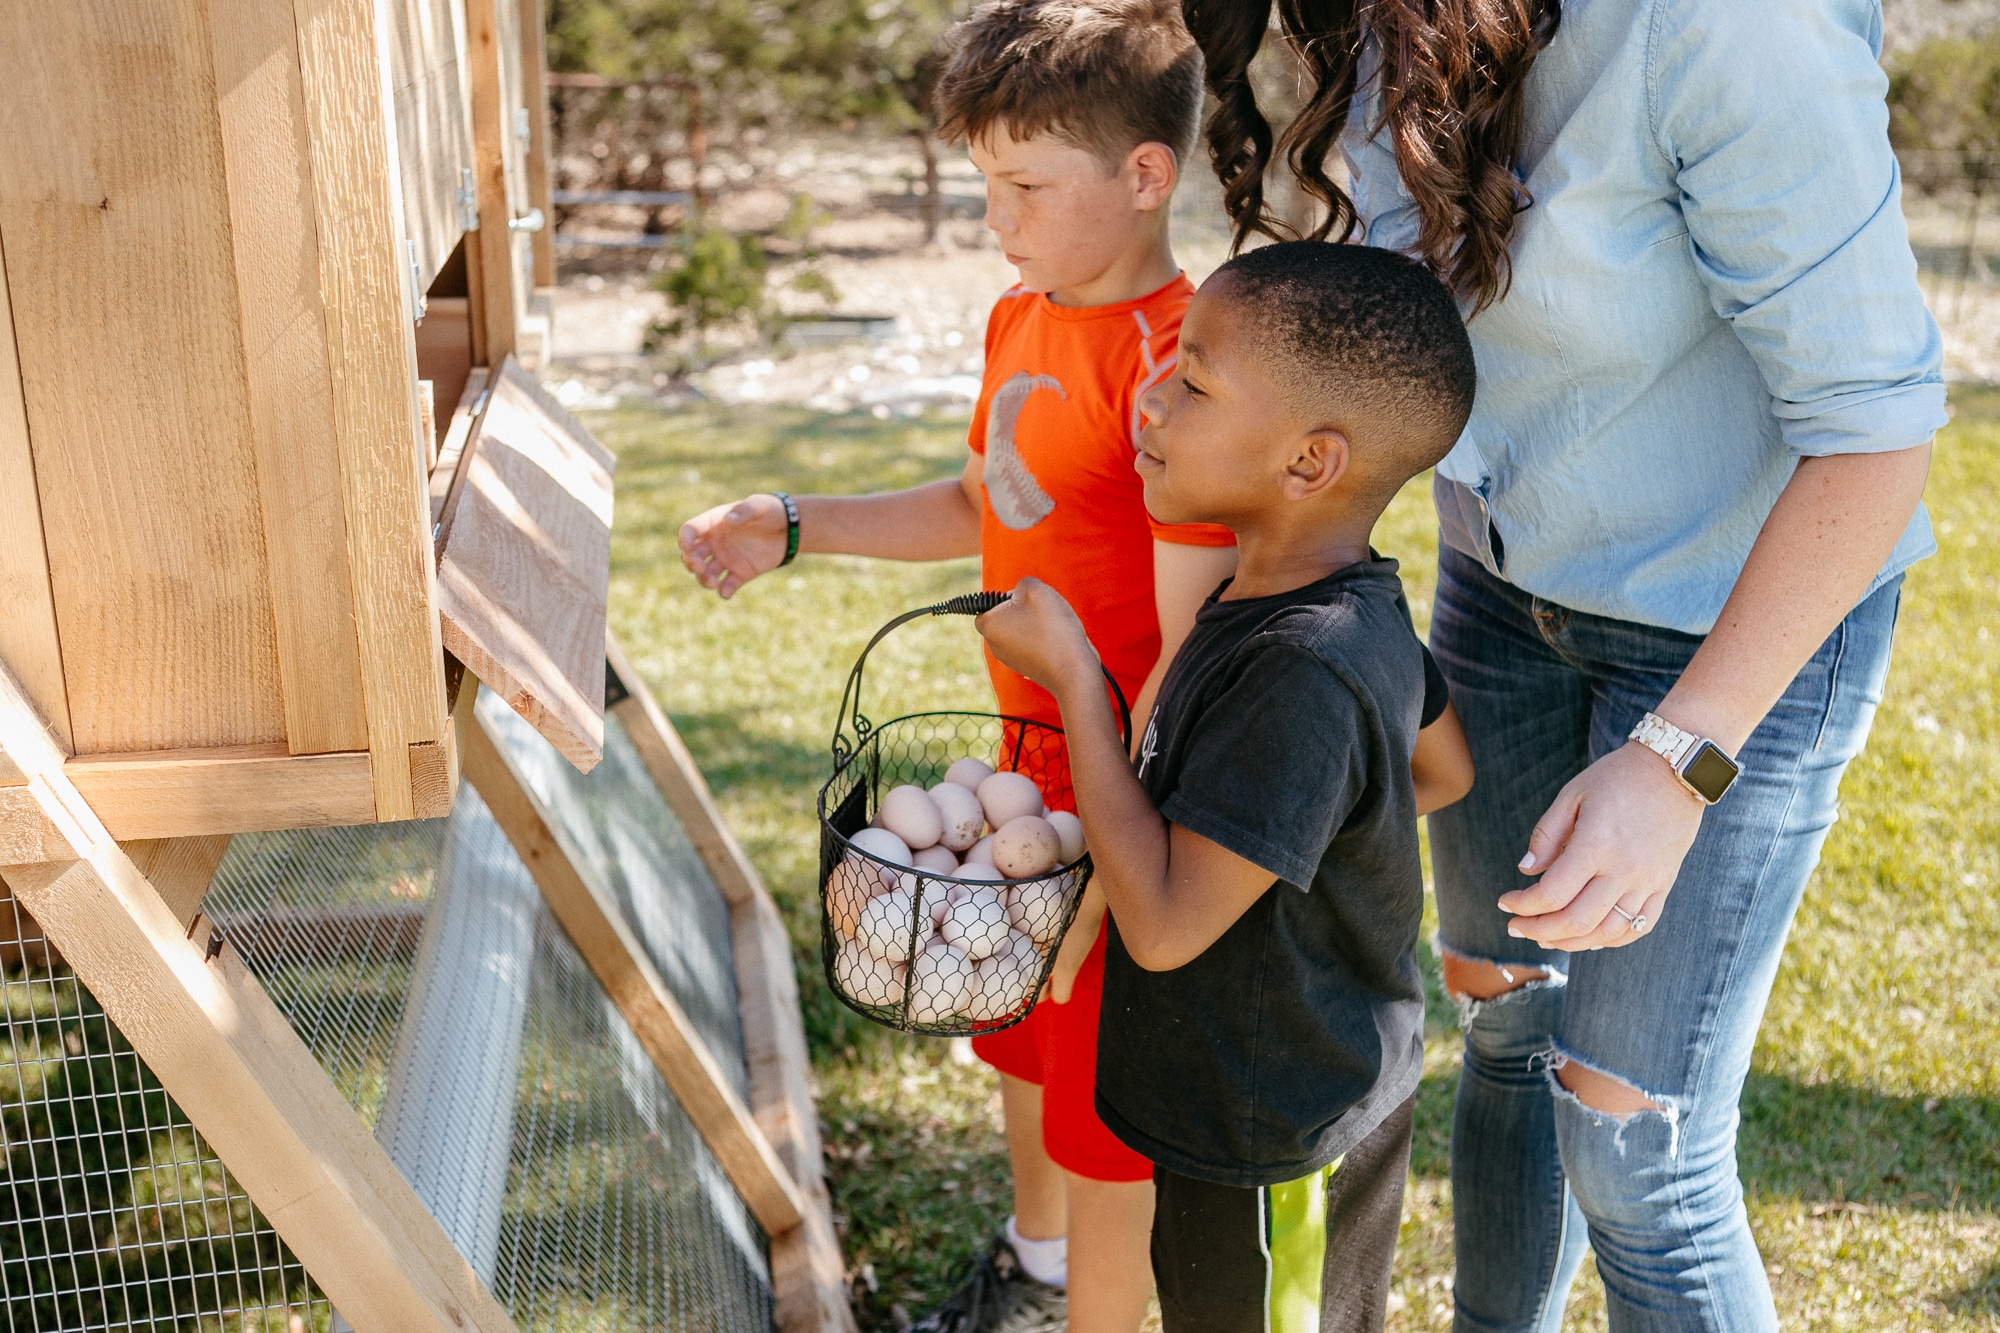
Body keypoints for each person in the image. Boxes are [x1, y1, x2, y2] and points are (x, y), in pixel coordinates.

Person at [1180, 3, 1944, 1329]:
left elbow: (1874, 434)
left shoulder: (1726, 30)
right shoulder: (1392, 22)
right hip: (1504, 586)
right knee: (1504, 1028)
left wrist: (1676, 760)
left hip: (1732, 627)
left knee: (1639, 1156)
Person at [682, 5, 1231, 1329]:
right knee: (1021, 1042)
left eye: (1027, 186)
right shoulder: (1017, 318)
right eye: (987, 183)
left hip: (1131, 798)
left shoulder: (1182, 363)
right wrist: (795, 525)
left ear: (1144, 175)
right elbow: (987, 501)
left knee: (1105, 1117)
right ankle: (1034, 1270)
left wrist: (1117, 843)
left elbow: (1200, 633)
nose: (998, 218)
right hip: (1023, 773)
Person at [974, 240, 1478, 1333]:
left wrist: (1075, 678)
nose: (1151, 401)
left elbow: (1160, 927)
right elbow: (1440, 767)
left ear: (1309, 462)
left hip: (1272, 1132)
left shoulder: (1299, 670)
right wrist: (1304, 840)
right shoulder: (1334, 603)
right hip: (1249, 1099)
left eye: (1193, 385)